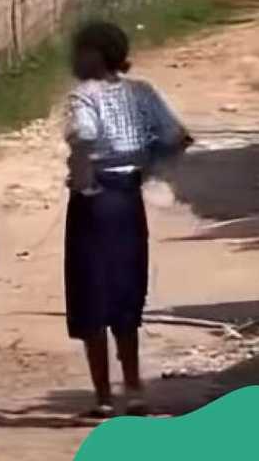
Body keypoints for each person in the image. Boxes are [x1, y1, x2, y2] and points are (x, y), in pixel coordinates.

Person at [64, 21, 191, 418]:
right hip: (128, 199)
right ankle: (134, 390)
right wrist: (151, 167)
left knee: (90, 294)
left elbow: (83, 136)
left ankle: (103, 396)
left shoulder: (84, 96)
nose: (74, 58)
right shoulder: (143, 92)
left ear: (97, 56)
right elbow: (177, 135)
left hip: (94, 201)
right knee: (125, 290)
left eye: (80, 51)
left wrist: (83, 178)